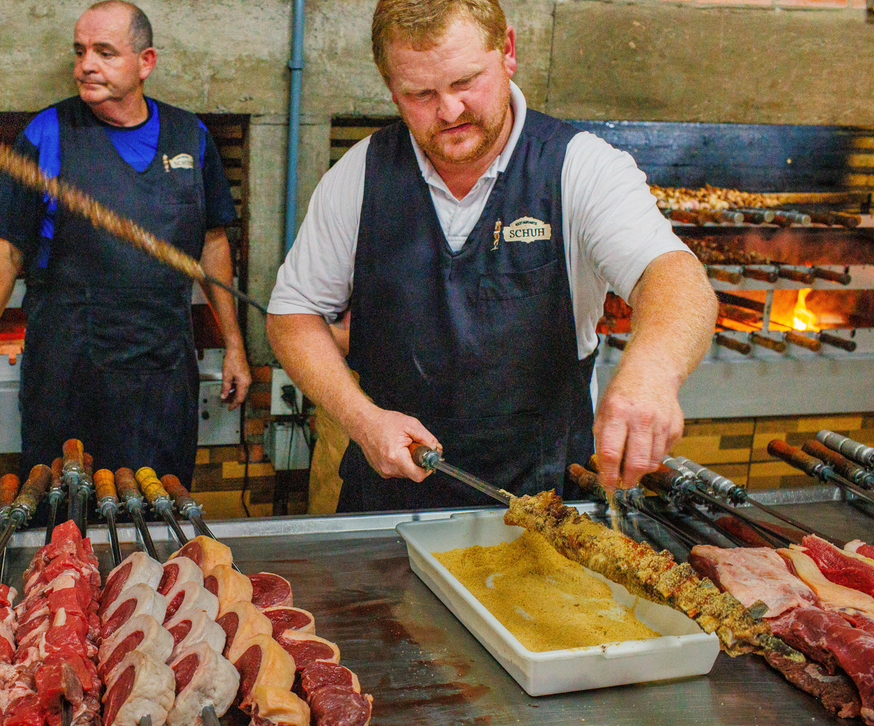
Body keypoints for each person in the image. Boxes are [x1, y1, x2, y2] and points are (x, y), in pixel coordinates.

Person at [266, 0, 717, 512]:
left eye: (465, 82)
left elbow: (674, 276)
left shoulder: (580, 167)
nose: (450, 111)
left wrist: (651, 372)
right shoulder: (359, 176)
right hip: (388, 503)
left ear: (507, 51)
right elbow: (292, 315)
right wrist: (360, 417)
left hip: (543, 507)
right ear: (391, 88)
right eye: (421, 94)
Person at [0, 0, 250, 487]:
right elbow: (4, 252)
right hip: (68, 375)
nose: (85, 65)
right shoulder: (48, 133)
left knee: (159, 521)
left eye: (105, 52)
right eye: (80, 51)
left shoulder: (191, 137)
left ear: (145, 62)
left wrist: (235, 345)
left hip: (161, 376)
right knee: (66, 526)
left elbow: (213, 241)